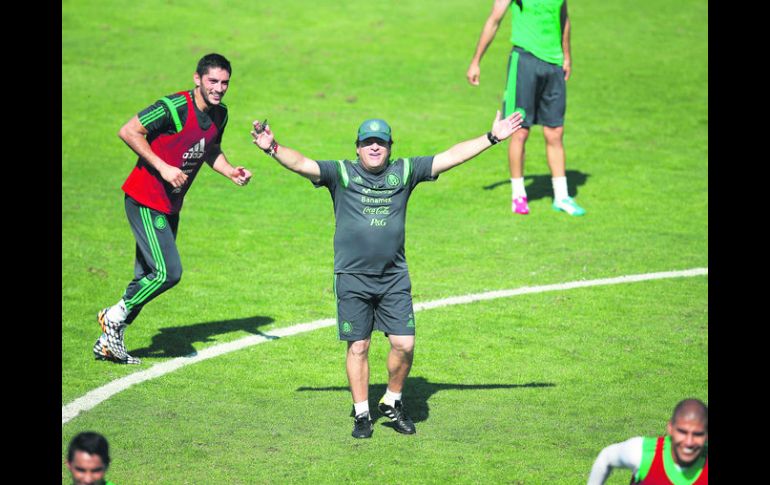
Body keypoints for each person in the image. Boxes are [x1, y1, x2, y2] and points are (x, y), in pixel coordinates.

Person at [250, 110, 523, 438]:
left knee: (404, 344)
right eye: (368, 143)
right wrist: (272, 147)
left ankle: (392, 400)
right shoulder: (341, 174)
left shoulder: (405, 171)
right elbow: (302, 163)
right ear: (358, 147)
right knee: (359, 346)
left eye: (380, 142)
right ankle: (362, 414)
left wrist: (491, 137)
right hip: (352, 276)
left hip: (393, 276)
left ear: (390, 147)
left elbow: (449, 157)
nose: (374, 148)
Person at [94, 53, 252, 364]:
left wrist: (230, 171)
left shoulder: (220, 115)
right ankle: (112, 317)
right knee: (168, 272)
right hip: (144, 199)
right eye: (213, 81)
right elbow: (128, 131)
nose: (219, 88)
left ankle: (108, 343)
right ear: (197, 79)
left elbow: (210, 148)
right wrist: (163, 167)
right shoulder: (174, 107)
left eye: (224, 83)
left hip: (170, 206)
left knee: (146, 278)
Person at [466, 0, 585, 216]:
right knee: (519, 130)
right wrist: (476, 61)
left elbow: (563, 17)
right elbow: (494, 19)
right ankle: (518, 195)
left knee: (555, 131)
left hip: (554, 64)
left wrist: (566, 55)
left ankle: (561, 196)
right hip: (525, 62)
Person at [586, 398, 708, 484]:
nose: (689, 442)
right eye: (682, 432)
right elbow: (606, 457)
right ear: (670, 428)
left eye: (698, 434)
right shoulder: (643, 454)